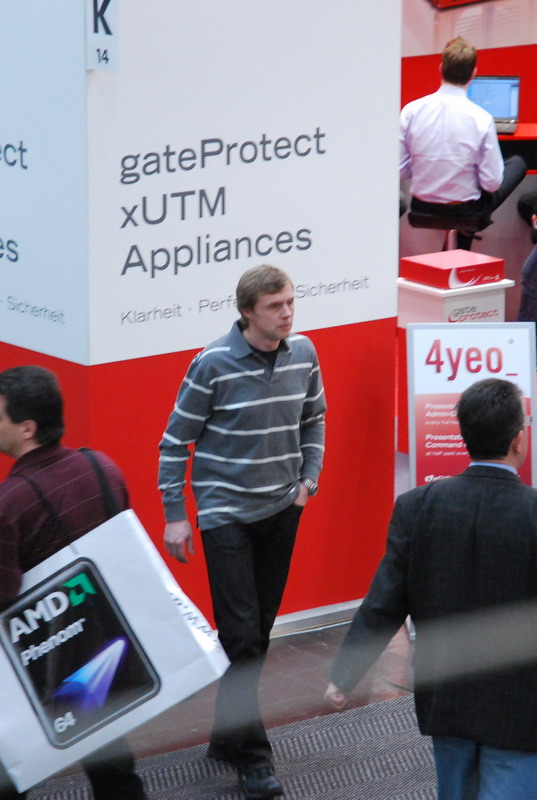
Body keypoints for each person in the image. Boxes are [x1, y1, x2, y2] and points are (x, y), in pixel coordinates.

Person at [158, 264, 326, 800]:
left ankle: (227, 733)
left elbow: (314, 419)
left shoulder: (305, 354)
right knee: (240, 637)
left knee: (256, 636)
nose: (287, 313)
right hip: (225, 515)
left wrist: (307, 483)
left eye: (291, 302)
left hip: (282, 510)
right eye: (276, 306)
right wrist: (175, 513)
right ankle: (254, 760)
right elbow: (174, 442)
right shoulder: (211, 364)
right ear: (248, 311)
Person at [325, 378, 537, 800]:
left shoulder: (417, 506)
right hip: (519, 707)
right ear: (519, 440)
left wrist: (344, 676)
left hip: (447, 697)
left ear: (465, 436)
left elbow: (384, 602)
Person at [0, 366, 147, 800]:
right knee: (112, 765)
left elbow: (4, 596)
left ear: (27, 428)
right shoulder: (102, 468)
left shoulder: (10, 503)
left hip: (42, 663)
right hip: (105, 652)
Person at [401, 37, 526, 249]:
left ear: (441, 68)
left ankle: (458, 241)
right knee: (517, 163)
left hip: (422, 206)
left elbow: (401, 170)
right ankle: (463, 235)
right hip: (465, 209)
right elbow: (492, 184)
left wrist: (430, 165)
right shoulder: (481, 118)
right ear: (473, 73)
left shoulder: (411, 111)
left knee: (471, 193)